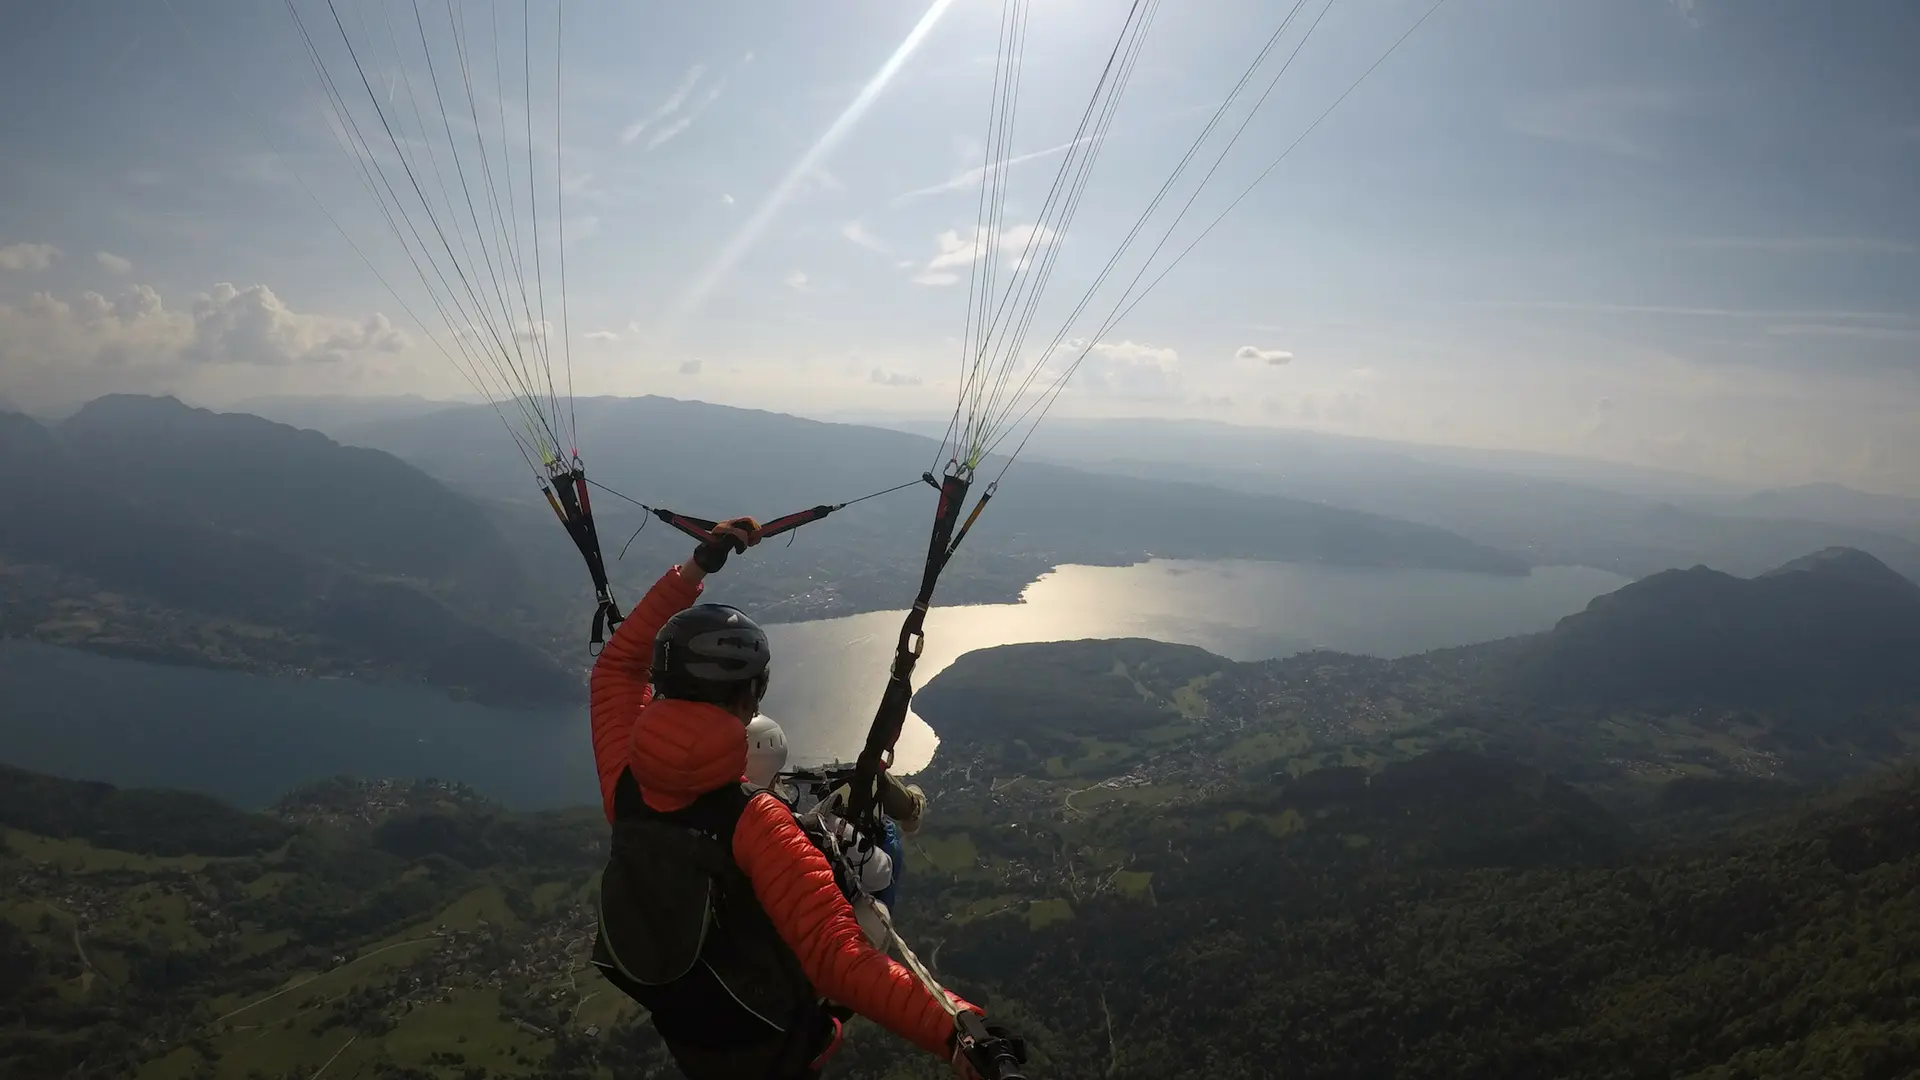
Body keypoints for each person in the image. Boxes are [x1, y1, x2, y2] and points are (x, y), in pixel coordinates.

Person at [587, 518, 1014, 1080]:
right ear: (750, 697)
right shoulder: (753, 823)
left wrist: (695, 568)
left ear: (665, 684)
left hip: (685, 1024)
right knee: (878, 854)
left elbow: (617, 666)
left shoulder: (626, 785)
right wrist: (956, 1029)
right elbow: (838, 958)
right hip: (771, 1046)